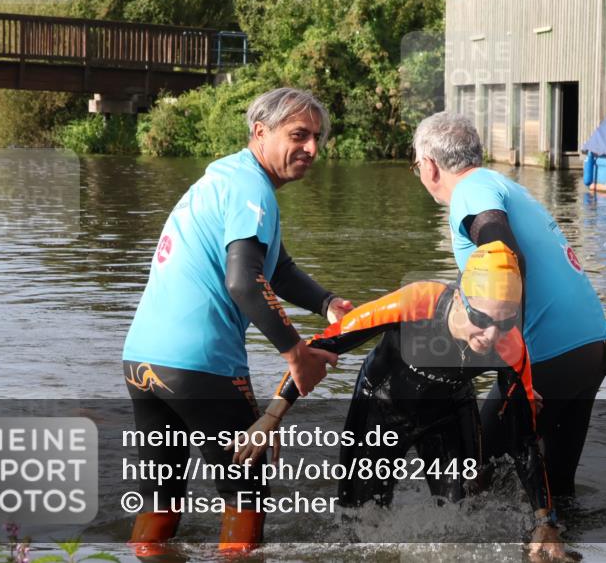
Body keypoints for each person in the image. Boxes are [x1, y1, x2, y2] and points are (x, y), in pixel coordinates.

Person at [231, 242, 572, 562]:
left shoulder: (511, 348)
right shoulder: (415, 303)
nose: (492, 335)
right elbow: (323, 344)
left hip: (450, 411)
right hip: (382, 406)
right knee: (357, 526)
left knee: (463, 522)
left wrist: (546, 521)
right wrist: (272, 415)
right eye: (482, 320)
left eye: (506, 321)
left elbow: (525, 439)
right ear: (460, 299)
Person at [121, 88, 352, 554]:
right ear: (260, 133)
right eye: (299, 135)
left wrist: (326, 303)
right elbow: (244, 281)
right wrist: (296, 354)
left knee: (160, 494)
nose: (312, 148)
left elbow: (276, 268)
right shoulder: (252, 189)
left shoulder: (227, 177)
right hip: (201, 366)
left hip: (141, 362)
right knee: (245, 494)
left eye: (317, 137)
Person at [411, 112, 606, 499]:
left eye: (416, 166)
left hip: (548, 355)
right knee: (556, 487)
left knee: (473, 475)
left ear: (429, 166)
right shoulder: (503, 184)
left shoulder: (470, 192)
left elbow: (503, 250)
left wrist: (508, 354)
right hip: (591, 347)